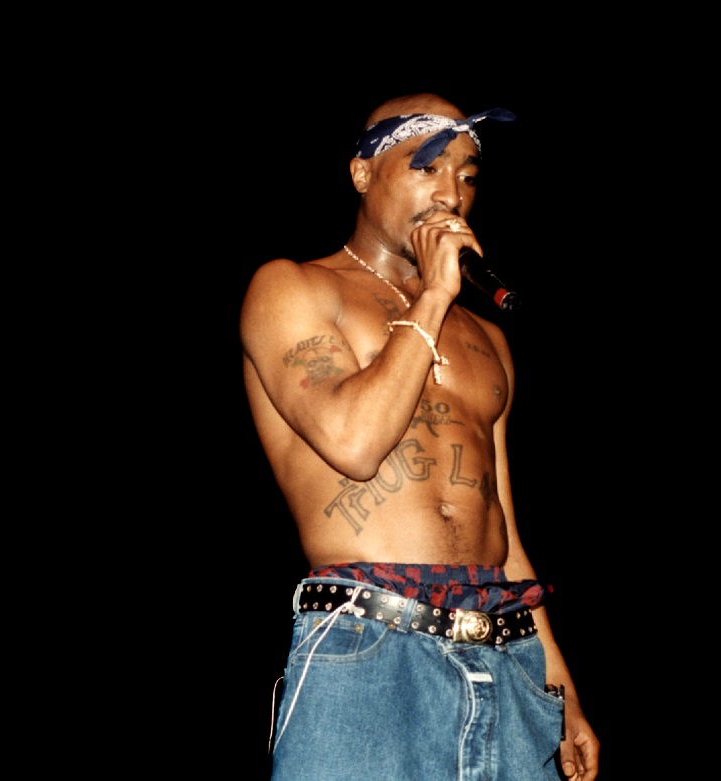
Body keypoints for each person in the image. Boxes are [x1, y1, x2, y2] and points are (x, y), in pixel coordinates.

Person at [240, 92, 600, 781]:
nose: (451, 195)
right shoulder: (292, 288)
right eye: (427, 168)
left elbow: (502, 525)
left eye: (467, 176)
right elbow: (354, 443)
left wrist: (558, 685)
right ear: (362, 173)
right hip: (371, 647)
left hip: (505, 650)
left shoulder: (487, 339)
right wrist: (433, 297)